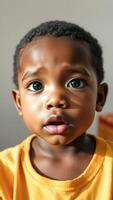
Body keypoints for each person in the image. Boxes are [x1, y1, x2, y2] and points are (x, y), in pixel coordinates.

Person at [0, 20, 112, 200]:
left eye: (75, 83)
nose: (55, 100)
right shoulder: (5, 172)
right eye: (36, 85)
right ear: (19, 102)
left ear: (99, 97)